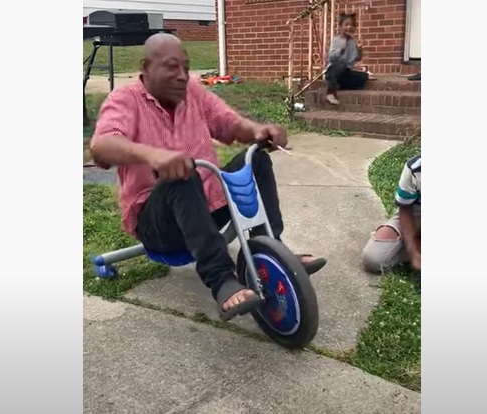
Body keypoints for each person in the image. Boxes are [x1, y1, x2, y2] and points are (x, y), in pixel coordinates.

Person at [89, 34, 327, 322]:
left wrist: (259, 132)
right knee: (182, 175)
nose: (181, 76)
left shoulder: (192, 92)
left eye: (185, 68)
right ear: (146, 67)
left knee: (257, 159)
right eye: (171, 67)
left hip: (207, 207)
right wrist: (154, 156)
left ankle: (272, 252)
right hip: (160, 226)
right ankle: (222, 280)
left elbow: (230, 123)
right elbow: (102, 146)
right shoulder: (124, 100)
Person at [361, 154, 421, 272]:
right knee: (373, 259)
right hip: (414, 215)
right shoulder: (415, 168)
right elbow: (405, 209)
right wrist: (413, 253)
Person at [324, 13, 369, 105]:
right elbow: (331, 58)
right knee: (340, 65)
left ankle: (339, 85)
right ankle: (330, 93)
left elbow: (357, 59)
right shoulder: (335, 40)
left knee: (363, 76)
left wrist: (360, 50)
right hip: (334, 69)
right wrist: (341, 49)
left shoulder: (353, 42)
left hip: (345, 71)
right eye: (346, 25)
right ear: (341, 26)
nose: (349, 27)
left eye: (351, 25)